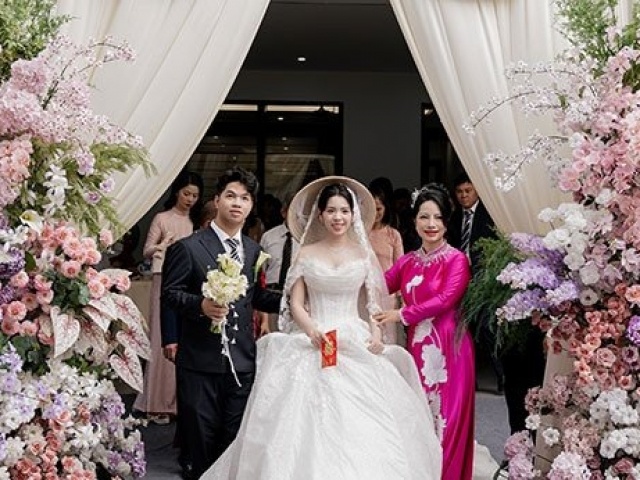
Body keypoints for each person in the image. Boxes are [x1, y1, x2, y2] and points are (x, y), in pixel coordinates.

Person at [201, 176, 442, 480]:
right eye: (331, 211)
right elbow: (296, 303)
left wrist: (376, 334)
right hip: (314, 337)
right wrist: (312, 330)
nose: (338, 217)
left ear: (353, 215)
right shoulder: (306, 253)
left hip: (353, 337)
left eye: (344, 211)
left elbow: (372, 303)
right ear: (320, 214)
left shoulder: (363, 254)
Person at [162, 166, 282, 479]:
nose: (237, 203)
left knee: (234, 446)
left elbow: (255, 296)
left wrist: (295, 300)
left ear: (251, 206)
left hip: (241, 363)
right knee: (201, 446)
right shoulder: (188, 247)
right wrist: (200, 305)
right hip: (200, 363)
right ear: (217, 201)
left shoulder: (254, 251)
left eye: (245, 198)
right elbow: (170, 294)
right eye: (231, 195)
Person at [373, 183, 475, 480]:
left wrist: (400, 314)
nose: (431, 224)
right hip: (417, 349)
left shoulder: (457, 260)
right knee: (419, 417)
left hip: (450, 349)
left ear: (447, 222)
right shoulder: (407, 262)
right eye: (424, 217)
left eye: (438, 217)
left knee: (447, 420)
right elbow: (378, 284)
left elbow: (444, 300)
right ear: (414, 220)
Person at [133, 170, 203, 423]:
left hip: (190, 282)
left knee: (185, 337)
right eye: (186, 194)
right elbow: (146, 251)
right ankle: (156, 401)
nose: (190, 199)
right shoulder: (162, 218)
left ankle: (179, 401)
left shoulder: (196, 221)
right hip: (163, 277)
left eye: (195, 195)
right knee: (161, 336)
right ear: (177, 192)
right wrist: (163, 246)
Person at [447, 172, 505, 394]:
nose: (464, 196)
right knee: (464, 330)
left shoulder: (489, 214)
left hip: (484, 279)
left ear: (477, 191)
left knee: (488, 329)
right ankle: (470, 378)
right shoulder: (454, 217)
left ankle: (501, 376)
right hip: (460, 278)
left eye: (468, 191)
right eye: (459, 192)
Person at [257, 195, 299, 333]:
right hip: (271, 296)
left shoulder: (307, 239)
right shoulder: (269, 237)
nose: (296, 216)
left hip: (296, 299)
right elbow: (260, 273)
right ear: (283, 212)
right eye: (292, 211)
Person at [368, 186, 404, 344]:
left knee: (388, 338)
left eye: (379, 209)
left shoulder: (393, 235)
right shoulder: (359, 234)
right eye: (372, 208)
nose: (375, 213)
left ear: (385, 208)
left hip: (388, 294)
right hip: (365, 291)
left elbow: (400, 267)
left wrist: (401, 297)